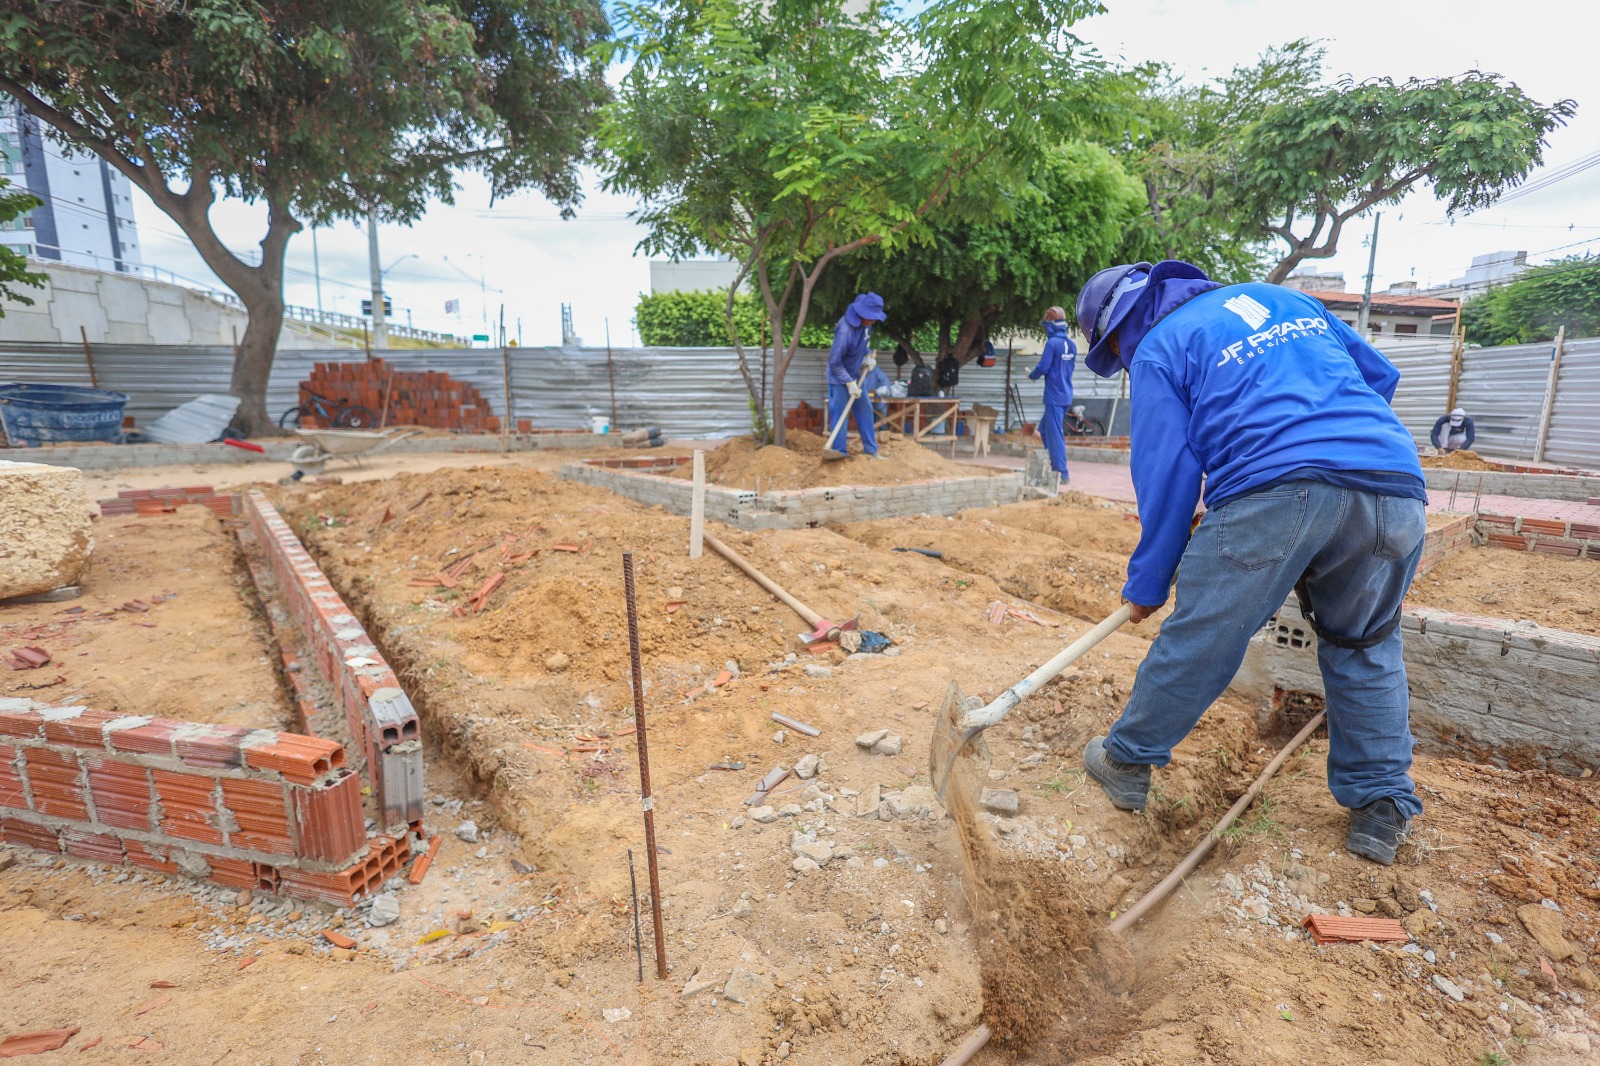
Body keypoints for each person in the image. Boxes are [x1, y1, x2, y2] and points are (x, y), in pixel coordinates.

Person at [1072, 260, 1429, 866]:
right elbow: (1379, 376)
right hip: (1393, 488)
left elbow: (1167, 475)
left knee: (1205, 634)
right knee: (1364, 644)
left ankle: (1126, 762)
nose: (1126, 365)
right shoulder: (1284, 299)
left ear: (1124, 326)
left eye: (1115, 351)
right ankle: (1380, 807)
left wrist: (1150, 581)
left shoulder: (1159, 347)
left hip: (1274, 494)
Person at [827, 292, 886, 458]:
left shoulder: (867, 323)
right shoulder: (845, 330)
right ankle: (839, 453)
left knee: (865, 410)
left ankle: (871, 451)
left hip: (857, 375)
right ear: (862, 313)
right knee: (840, 416)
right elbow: (834, 361)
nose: (874, 321)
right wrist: (848, 382)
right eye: (871, 317)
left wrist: (867, 356)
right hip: (839, 379)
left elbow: (863, 343)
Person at [1028, 306, 1077, 484]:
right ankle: (1052, 460)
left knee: (1055, 435)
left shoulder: (1052, 344)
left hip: (1054, 396)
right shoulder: (1071, 345)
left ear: (1051, 326)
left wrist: (1032, 375)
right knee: (1044, 431)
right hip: (1066, 395)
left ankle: (1061, 472)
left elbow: (1043, 367)